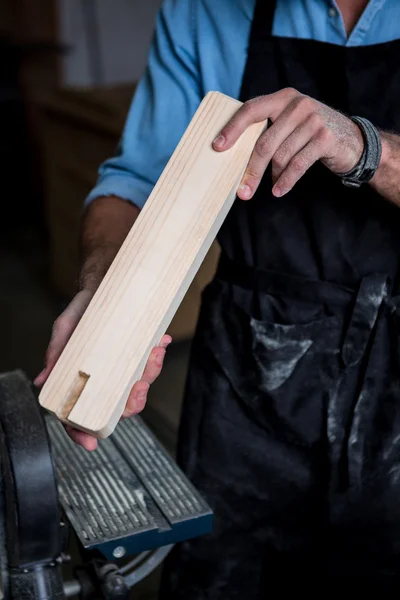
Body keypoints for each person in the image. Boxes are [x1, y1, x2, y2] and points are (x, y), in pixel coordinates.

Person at [35, 0, 400, 590]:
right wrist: (107, 291)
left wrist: (369, 150)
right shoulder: (205, 9)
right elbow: (135, 184)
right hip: (247, 366)